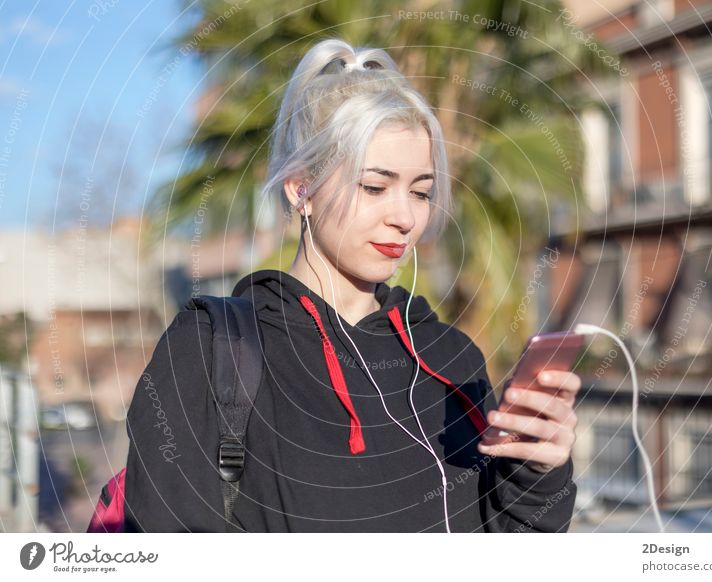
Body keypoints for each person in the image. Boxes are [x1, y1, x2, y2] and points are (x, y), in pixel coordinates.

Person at [122, 37, 580, 532]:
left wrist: (538, 471)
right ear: (302, 189)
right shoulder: (211, 350)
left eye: (421, 191)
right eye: (375, 187)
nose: (405, 217)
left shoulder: (452, 359)